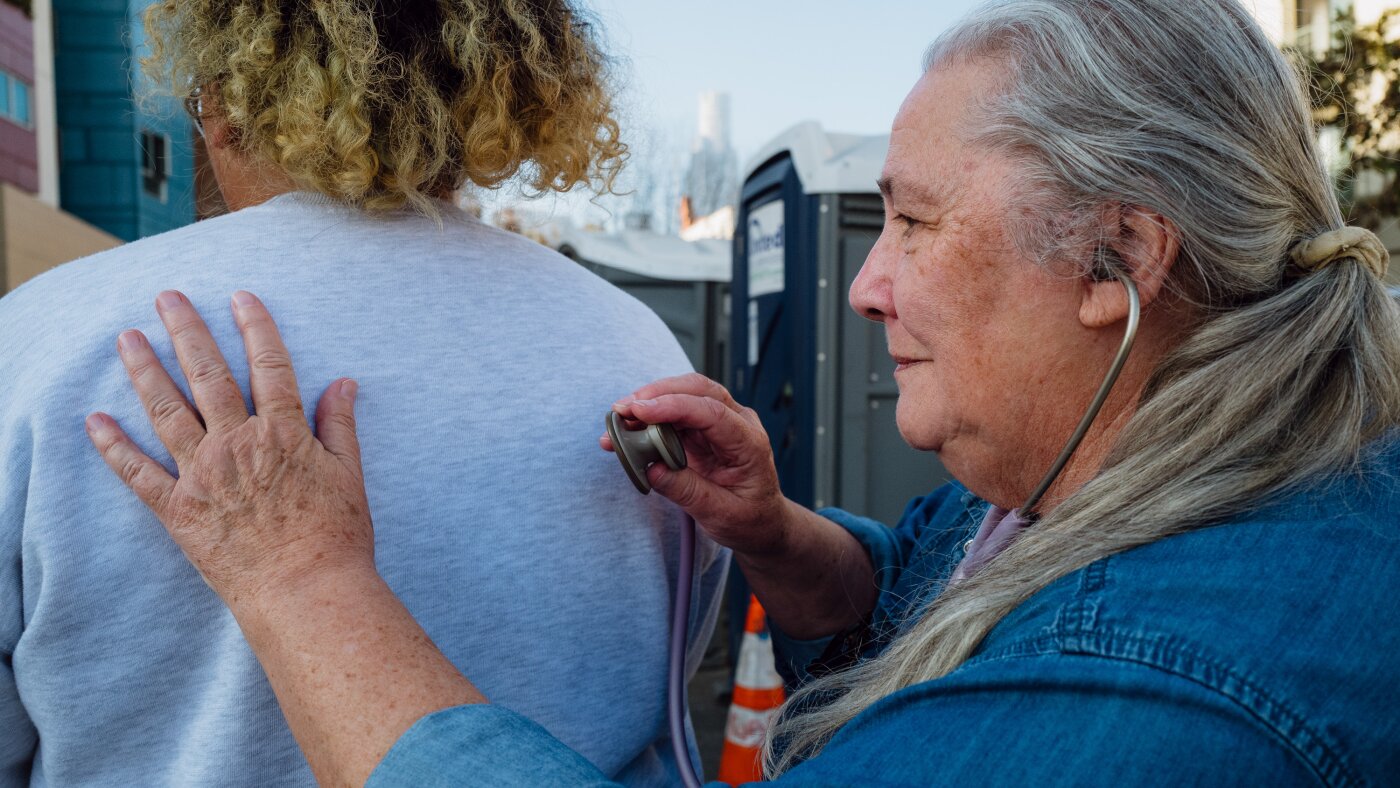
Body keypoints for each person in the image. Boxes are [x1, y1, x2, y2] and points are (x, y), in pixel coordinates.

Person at [86, 0, 1400, 784]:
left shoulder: (1156, 699)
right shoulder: (1208, 462)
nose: (867, 286)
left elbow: (1057, 652)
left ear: (1117, 261)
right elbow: (957, 583)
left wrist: (304, 583)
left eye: (915, 223)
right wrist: (783, 543)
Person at [0, 1, 727, 785]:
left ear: (219, 100)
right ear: (501, 92)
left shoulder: (45, 341)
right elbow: (672, 660)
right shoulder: (634, 342)